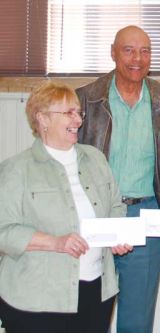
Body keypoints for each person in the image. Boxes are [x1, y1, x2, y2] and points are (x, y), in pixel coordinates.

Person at [76, 25, 160, 333]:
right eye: (128, 50)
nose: (137, 58)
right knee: (89, 313)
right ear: (113, 53)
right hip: (95, 215)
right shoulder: (85, 100)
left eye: (145, 51)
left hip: (145, 217)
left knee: (137, 318)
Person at [0, 82, 131, 333]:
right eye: (68, 113)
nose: (78, 120)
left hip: (96, 291)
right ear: (42, 119)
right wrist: (55, 242)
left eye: (78, 112)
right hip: (37, 298)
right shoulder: (16, 170)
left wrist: (117, 235)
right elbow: (3, 230)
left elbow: (115, 205)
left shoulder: (95, 158)